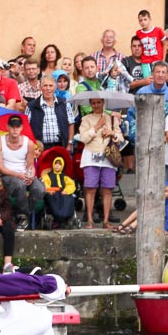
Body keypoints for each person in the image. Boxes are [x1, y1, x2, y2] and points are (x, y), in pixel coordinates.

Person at [80, 98, 123, 229]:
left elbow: (121, 138)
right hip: (91, 156)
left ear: (103, 103)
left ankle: (106, 220)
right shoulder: (86, 119)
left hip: (108, 157)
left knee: (107, 189)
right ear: (91, 104)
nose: (96, 105)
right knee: (90, 188)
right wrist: (97, 126)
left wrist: (112, 133)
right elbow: (83, 138)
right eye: (94, 103)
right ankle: (90, 219)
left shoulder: (111, 118)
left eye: (99, 102)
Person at [0, 116, 43, 230]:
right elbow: (0, 168)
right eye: (12, 126)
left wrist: (31, 175)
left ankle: (25, 214)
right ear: (7, 127)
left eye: (17, 126)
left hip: (23, 173)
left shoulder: (29, 143)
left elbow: (30, 165)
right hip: (7, 175)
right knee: (19, 185)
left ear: (21, 128)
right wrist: (19, 175)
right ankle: (24, 215)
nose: (15, 129)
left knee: (40, 189)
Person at [28, 76, 72, 151]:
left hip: (60, 145)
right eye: (45, 85)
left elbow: (71, 123)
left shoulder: (64, 103)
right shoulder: (32, 105)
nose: (48, 88)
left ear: (55, 87)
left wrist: (69, 143)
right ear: (40, 87)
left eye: (51, 85)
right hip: (40, 148)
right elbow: (27, 125)